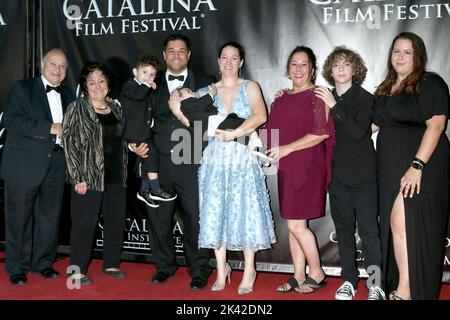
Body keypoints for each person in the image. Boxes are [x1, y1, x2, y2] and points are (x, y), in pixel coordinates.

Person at [134, 34, 214, 290]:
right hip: (158, 161)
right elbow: (137, 117)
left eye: (182, 51)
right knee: (159, 217)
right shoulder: (149, 82)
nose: (177, 55)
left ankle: (199, 269)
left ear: (189, 54)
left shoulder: (205, 82)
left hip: (192, 158)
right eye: (171, 51)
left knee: (196, 218)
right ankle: (164, 266)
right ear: (164, 55)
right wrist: (135, 142)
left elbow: (210, 122)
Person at [372, 32, 449, 300]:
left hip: (420, 163)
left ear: (417, 56)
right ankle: (403, 286)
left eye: (407, 52)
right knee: (396, 226)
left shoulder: (431, 84)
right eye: (396, 51)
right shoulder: (386, 87)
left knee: (404, 223)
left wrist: (417, 165)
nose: (401, 57)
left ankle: (406, 290)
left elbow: (437, 125)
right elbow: (369, 125)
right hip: (390, 165)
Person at [196, 41, 276, 295]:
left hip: (242, 157)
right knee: (215, 211)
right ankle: (221, 268)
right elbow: (191, 119)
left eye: (234, 58)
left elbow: (261, 116)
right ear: (218, 61)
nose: (229, 62)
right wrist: (177, 104)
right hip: (215, 160)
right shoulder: (206, 91)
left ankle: (249, 268)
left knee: (246, 211)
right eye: (224, 57)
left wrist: (235, 134)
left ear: (241, 62)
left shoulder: (250, 87)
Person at [315, 47, 385, 300]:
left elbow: (357, 133)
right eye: (336, 64)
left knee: (368, 231)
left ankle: (376, 285)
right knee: (344, 231)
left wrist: (335, 106)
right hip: (337, 177)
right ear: (330, 70)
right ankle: (349, 281)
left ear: (355, 70)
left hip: (365, 176)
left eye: (346, 64)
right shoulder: (323, 97)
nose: (341, 69)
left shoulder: (365, 98)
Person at [1, 48, 74, 286]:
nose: (58, 70)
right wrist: (49, 129)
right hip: (23, 165)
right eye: (53, 64)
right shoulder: (23, 88)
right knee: (19, 218)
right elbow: (11, 120)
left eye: (62, 66)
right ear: (42, 66)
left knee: (49, 218)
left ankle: (42, 262)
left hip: (56, 163)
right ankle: (17, 267)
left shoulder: (69, 94)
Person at [265, 46, 335, 294]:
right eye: (294, 64)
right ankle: (297, 274)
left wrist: (286, 148)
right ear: (288, 69)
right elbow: (271, 132)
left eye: (304, 64)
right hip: (286, 167)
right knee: (293, 224)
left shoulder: (318, 95)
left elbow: (321, 132)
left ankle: (316, 271)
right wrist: (265, 150)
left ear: (312, 68)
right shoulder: (281, 98)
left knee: (296, 226)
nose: (298, 69)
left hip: (308, 167)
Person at [63, 62, 128, 285]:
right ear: (85, 86)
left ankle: (111, 263)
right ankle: (76, 271)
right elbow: (69, 143)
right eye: (92, 82)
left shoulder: (116, 108)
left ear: (108, 85)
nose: (97, 85)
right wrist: (77, 176)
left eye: (101, 81)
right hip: (88, 178)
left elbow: (121, 141)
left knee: (115, 222)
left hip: (117, 177)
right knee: (83, 224)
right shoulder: (77, 108)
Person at [120, 54, 177, 208]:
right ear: (135, 72)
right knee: (150, 156)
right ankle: (156, 188)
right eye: (144, 72)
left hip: (145, 132)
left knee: (149, 159)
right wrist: (147, 86)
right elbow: (137, 96)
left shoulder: (147, 90)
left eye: (152, 74)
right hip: (134, 132)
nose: (148, 77)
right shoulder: (130, 86)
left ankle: (145, 190)